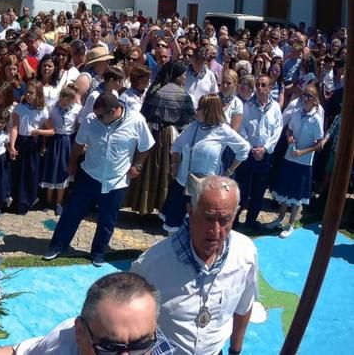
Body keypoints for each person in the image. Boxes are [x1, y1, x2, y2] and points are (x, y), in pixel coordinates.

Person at [132, 176, 257, 355]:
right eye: (208, 218)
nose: (215, 231)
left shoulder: (245, 254)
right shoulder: (152, 263)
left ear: (235, 214)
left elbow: (244, 307)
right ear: (190, 212)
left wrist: (235, 351)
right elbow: (129, 320)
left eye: (224, 220)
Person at [0, 271, 175, 355]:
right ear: (79, 330)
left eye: (141, 344)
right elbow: (17, 352)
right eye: (109, 347)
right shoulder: (64, 341)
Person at [45, 93, 154, 266]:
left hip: (116, 181)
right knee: (71, 213)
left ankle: (98, 252)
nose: (98, 118)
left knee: (107, 219)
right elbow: (78, 144)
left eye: (101, 116)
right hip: (89, 175)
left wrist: (138, 165)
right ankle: (58, 246)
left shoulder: (137, 120)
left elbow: (146, 145)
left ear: (115, 110)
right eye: (96, 115)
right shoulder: (90, 120)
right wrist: (72, 163)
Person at [159, 95, 250, 232]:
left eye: (200, 108)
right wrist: (175, 164)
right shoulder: (193, 126)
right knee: (174, 227)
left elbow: (244, 148)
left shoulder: (222, 130)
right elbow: (177, 145)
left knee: (198, 228)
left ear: (209, 110)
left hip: (206, 189)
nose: (197, 110)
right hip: (183, 184)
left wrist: (229, 172)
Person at [125, 61, 194, 217]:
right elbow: (189, 119)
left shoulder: (155, 89)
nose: (184, 77)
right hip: (171, 135)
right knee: (166, 171)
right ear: (176, 75)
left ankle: (145, 206)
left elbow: (144, 113)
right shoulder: (182, 94)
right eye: (183, 74)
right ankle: (164, 209)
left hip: (151, 134)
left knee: (151, 171)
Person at [265, 83, 324, 238]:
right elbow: (289, 129)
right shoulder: (297, 112)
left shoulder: (317, 119)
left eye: (309, 96)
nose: (305, 98)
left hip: (304, 163)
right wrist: (289, 136)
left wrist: (303, 151)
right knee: (285, 190)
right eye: (304, 95)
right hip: (289, 157)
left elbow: (319, 143)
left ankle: (290, 224)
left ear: (315, 100)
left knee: (297, 196)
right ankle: (279, 219)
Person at [234, 75, 283, 229]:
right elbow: (241, 128)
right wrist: (250, 148)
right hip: (248, 154)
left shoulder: (275, 108)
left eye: (263, 85)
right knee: (242, 190)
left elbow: (277, 129)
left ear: (270, 88)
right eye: (258, 85)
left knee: (258, 191)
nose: (260, 88)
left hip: (265, 155)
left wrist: (265, 149)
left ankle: (251, 221)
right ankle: (234, 221)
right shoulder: (247, 106)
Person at [39, 84, 81, 215]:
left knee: (63, 171)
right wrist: (44, 144)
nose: (64, 102)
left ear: (72, 100)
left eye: (67, 100)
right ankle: (48, 200)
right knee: (52, 169)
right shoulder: (52, 108)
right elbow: (47, 126)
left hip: (68, 142)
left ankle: (59, 203)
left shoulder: (77, 110)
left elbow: (78, 127)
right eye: (62, 99)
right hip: (55, 140)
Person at [9, 80, 49, 214]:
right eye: (27, 92)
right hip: (21, 141)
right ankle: (17, 201)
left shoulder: (42, 111)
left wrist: (40, 133)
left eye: (31, 93)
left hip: (33, 143)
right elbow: (15, 127)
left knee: (31, 172)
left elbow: (51, 130)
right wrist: (12, 145)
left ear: (38, 94)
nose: (28, 94)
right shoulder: (19, 108)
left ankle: (28, 201)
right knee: (19, 172)